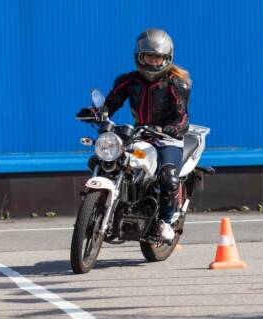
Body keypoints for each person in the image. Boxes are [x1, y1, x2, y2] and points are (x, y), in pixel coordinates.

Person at [77, 28, 191, 241]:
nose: (153, 61)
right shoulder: (128, 80)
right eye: (149, 56)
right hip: (140, 133)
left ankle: (166, 221)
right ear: (139, 56)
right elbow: (112, 102)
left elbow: (182, 115)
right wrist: (97, 113)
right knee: (103, 160)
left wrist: (174, 127)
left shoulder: (176, 83)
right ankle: (108, 207)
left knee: (168, 178)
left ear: (167, 58)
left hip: (166, 137)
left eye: (158, 58)